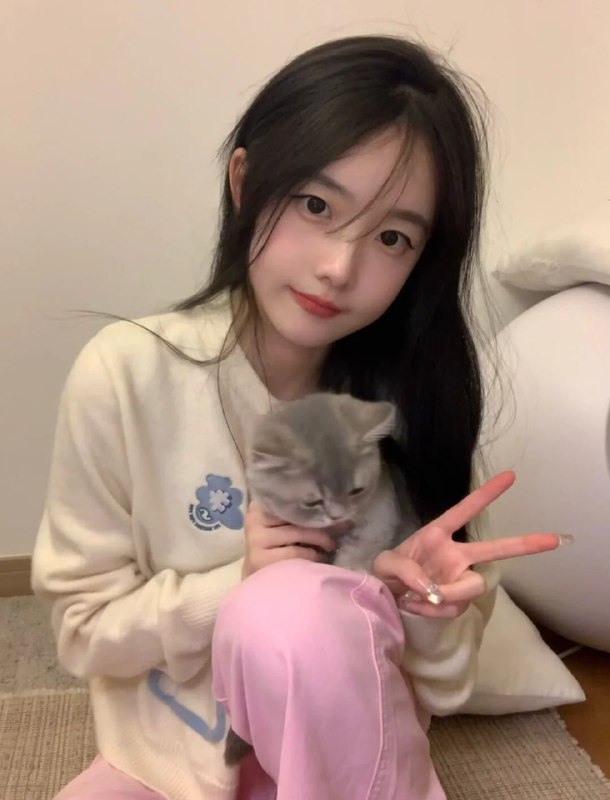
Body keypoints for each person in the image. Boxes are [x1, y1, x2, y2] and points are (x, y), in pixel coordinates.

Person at [32, 34, 562, 800]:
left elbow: (441, 689)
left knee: (294, 610)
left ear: (423, 260)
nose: (339, 268)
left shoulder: (418, 410)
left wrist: (422, 611)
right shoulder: (128, 376)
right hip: (170, 760)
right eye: (316, 205)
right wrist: (241, 581)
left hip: (350, 763)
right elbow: (83, 633)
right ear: (245, 182)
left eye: (392, 238)